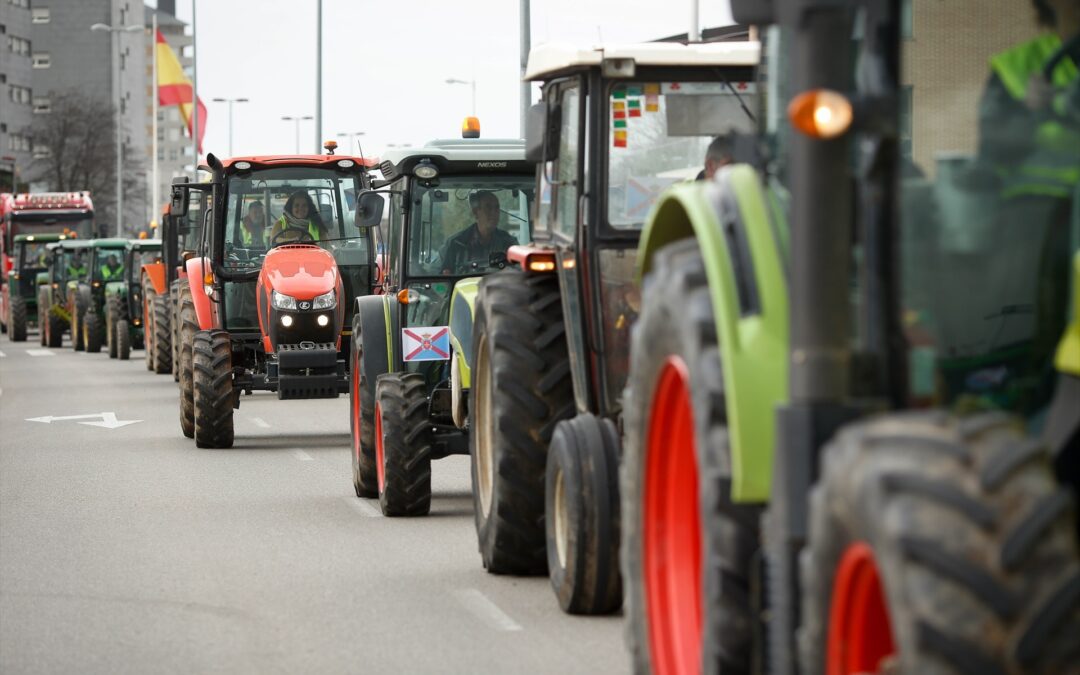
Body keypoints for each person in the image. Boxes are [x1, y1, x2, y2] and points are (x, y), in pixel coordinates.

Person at [440, 191, 518, 274]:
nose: (494, 212)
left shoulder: (508, 243)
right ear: (476, 212)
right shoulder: (456, 244)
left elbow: (519, 274)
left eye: (496, 208)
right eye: (488, 207)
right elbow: (443, 278)